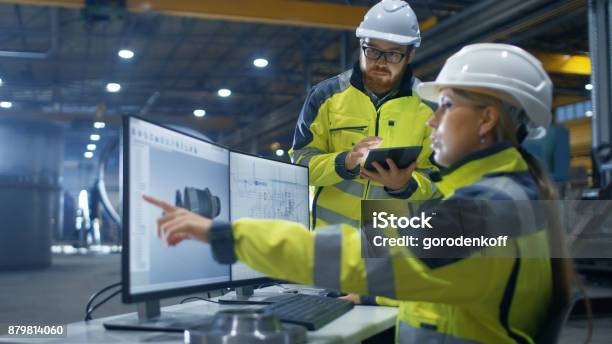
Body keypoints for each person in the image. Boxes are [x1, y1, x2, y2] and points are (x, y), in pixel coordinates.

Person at [144, 43, 575, 343]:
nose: (430, 122)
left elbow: (363, 254)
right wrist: (372, 295)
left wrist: (226, 235)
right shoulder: (509, 194)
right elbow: (448, 279)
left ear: (486, 120)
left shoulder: (487, 211)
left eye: (445, 106)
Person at [289, 0, 439, 231]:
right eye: (373, 50)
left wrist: (405, 185)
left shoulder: (430, 107)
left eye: (393, 55)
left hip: (389, 243)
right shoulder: (325, 97)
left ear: (410, 55)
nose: (380, 62)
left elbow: (439, 180)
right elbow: (299, 164)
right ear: (361, 45)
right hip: (330, 236)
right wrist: (344, 162)